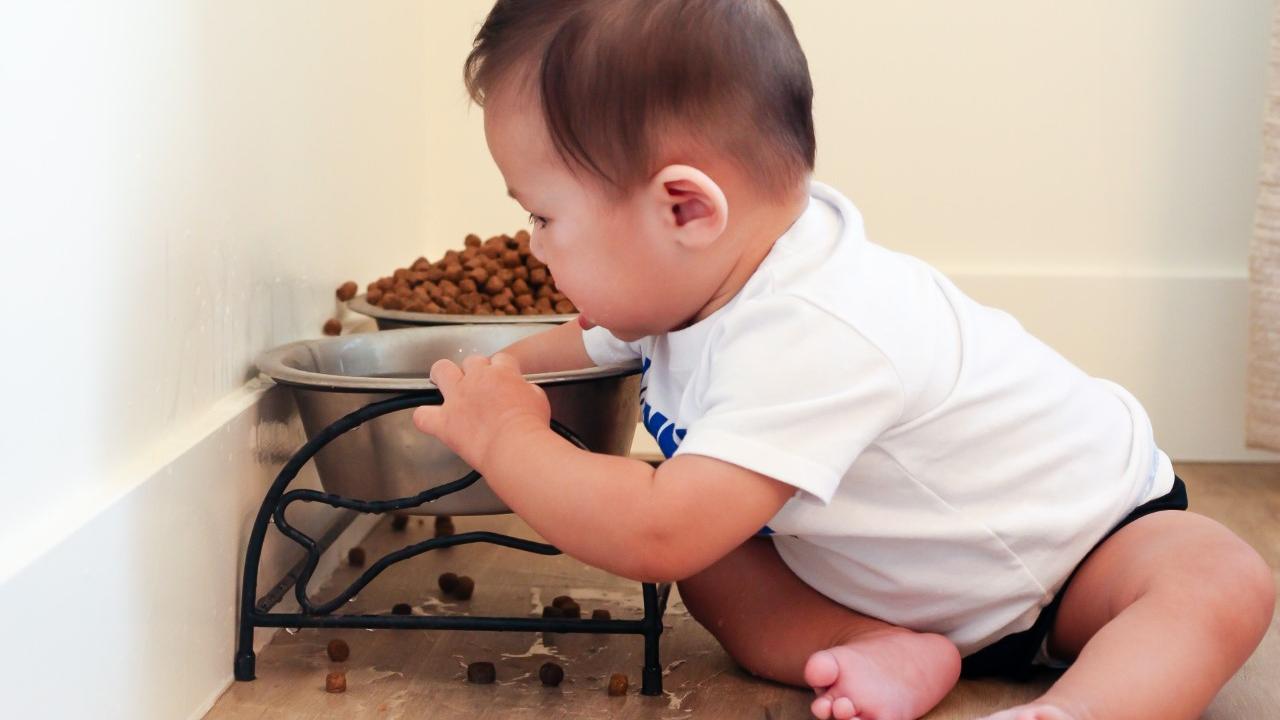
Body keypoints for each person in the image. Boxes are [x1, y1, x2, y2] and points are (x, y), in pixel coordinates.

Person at [411, 2, 1276, 718]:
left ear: (683, 208)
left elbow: (655, 527)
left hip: (1087, 551)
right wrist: (477, 383)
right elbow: (571, 351)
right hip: (887, 589)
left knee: (1218, 579)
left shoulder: (819, 326)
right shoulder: (683, 286)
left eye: (544, 217)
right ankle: (879, 649)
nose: (533, 247)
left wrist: (508, 443)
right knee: (717, 563)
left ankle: (1076, 711)